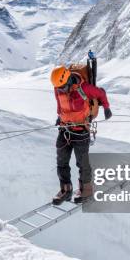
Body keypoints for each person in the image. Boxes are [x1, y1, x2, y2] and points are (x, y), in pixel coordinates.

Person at [50, 66, 112, 205]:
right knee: (61, 161)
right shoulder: (58, 87)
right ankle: (66, 190)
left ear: (69, 79)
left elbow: (101, 93)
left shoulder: (84, 88)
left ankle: (86, 190)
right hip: (65, 130)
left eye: (63, 87)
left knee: (82, 163)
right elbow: (60, 105)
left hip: (81, 131)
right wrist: (60, 117)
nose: (60, 90)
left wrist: (106, 108)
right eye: (58, 88)